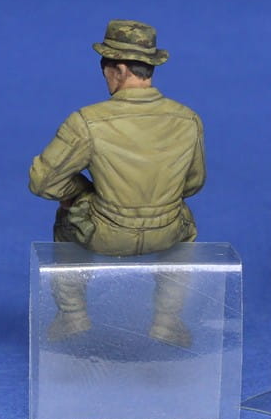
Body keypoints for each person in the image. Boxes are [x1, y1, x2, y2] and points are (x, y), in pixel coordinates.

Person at [29, 20, 205, 345]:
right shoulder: (188, 119)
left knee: (66, 221)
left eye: (105, 67)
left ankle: (72, 317)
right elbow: (193, 184)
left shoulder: (86, 121)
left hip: (104, 234)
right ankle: (167, 322)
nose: (104, 75)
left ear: (120, 70)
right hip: (166, 231)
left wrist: (82, 192)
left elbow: (43, 182)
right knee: (187, 230)